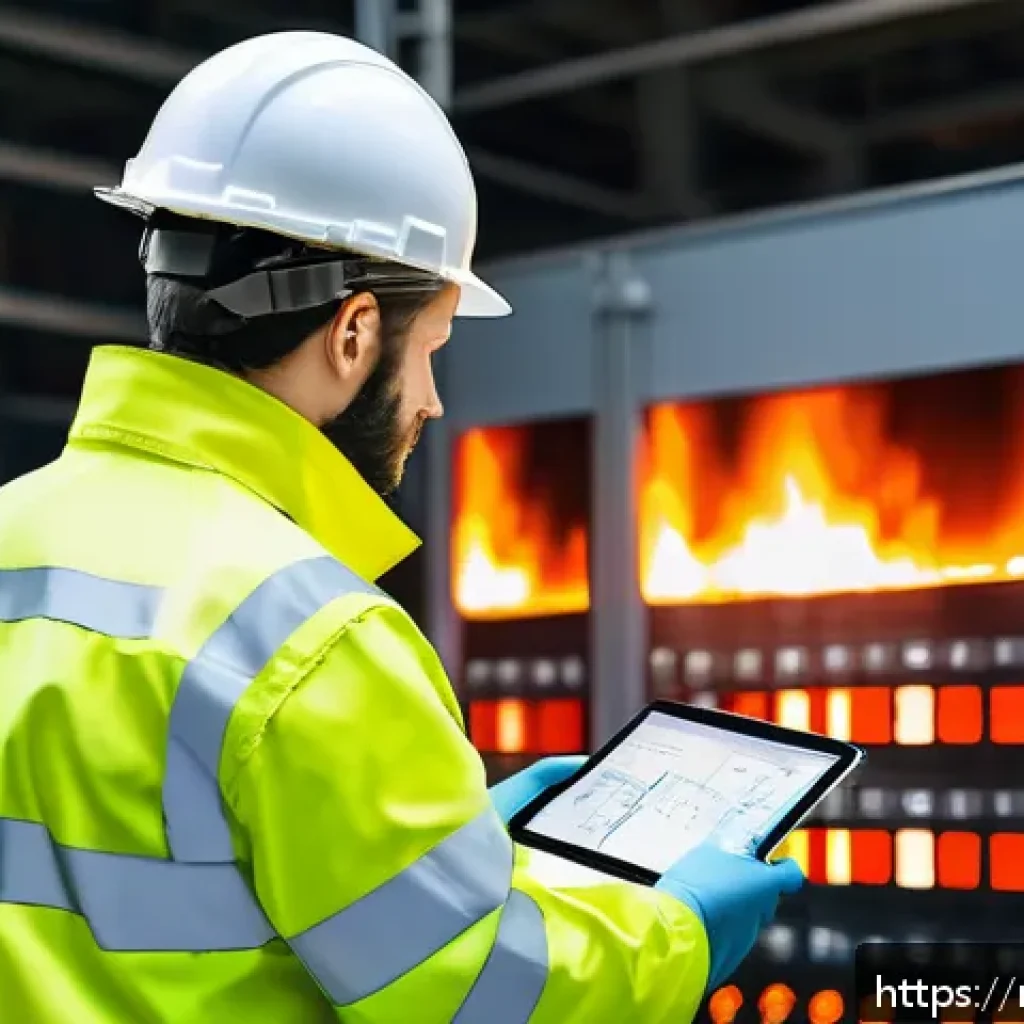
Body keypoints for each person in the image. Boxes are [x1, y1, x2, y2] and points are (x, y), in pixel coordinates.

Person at [0, 30, 804, 1024]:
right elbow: (479, 997)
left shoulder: (16, 532)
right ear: (353, 333)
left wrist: (438, 858)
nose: (431, 401)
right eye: (432, 348)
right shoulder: (305, 635)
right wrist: (678, 933)